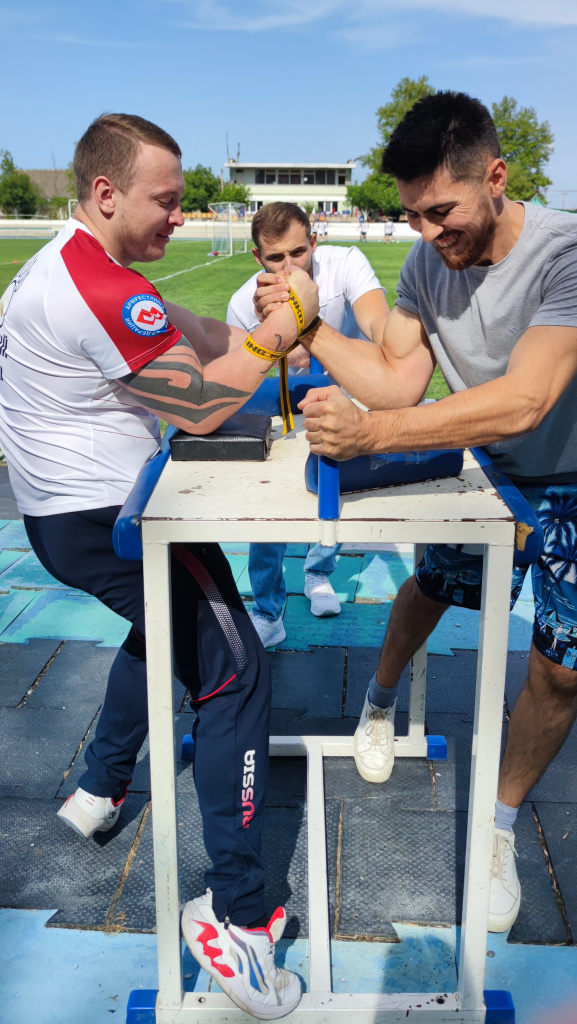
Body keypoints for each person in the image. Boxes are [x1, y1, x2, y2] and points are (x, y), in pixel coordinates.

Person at [0, 113, 320, 1019]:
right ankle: (238, 918)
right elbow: (205, 408)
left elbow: (197, 336)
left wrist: (269, 333)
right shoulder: (98, 287)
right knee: (236, 672)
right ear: (106, 193)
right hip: (110, 517)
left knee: (166, 630)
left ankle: (100, 786)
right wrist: (279, 332)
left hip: (71, 513)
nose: (181, 217)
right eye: (167, 200)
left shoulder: (79, 263)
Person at [268, 90, 577, 935]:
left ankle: (500, 826)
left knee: (561, 667)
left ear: (496, 178)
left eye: (441, 211)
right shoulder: (422, 263)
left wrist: (373, 434)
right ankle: (378, 700)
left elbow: (525, 398)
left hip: (569, 472)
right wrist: (309, 330)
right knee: (432, 589)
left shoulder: (564, 252)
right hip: (492, 466)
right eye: (411, 215)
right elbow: (396, 379)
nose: (427, 232)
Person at [226, 201, 389, 647]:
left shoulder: (345, 263)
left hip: (343, 394)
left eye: (298, 252)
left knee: (336, 485)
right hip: (280, 408)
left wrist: (314, 335)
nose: (289, 266)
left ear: (314, 243)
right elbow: (239, 382)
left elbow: (380, 326)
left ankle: (318, 572)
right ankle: (268, 609)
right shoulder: (243, 303)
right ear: (258, 258)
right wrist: (273, 340)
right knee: (267, 502)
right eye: (275, 258)